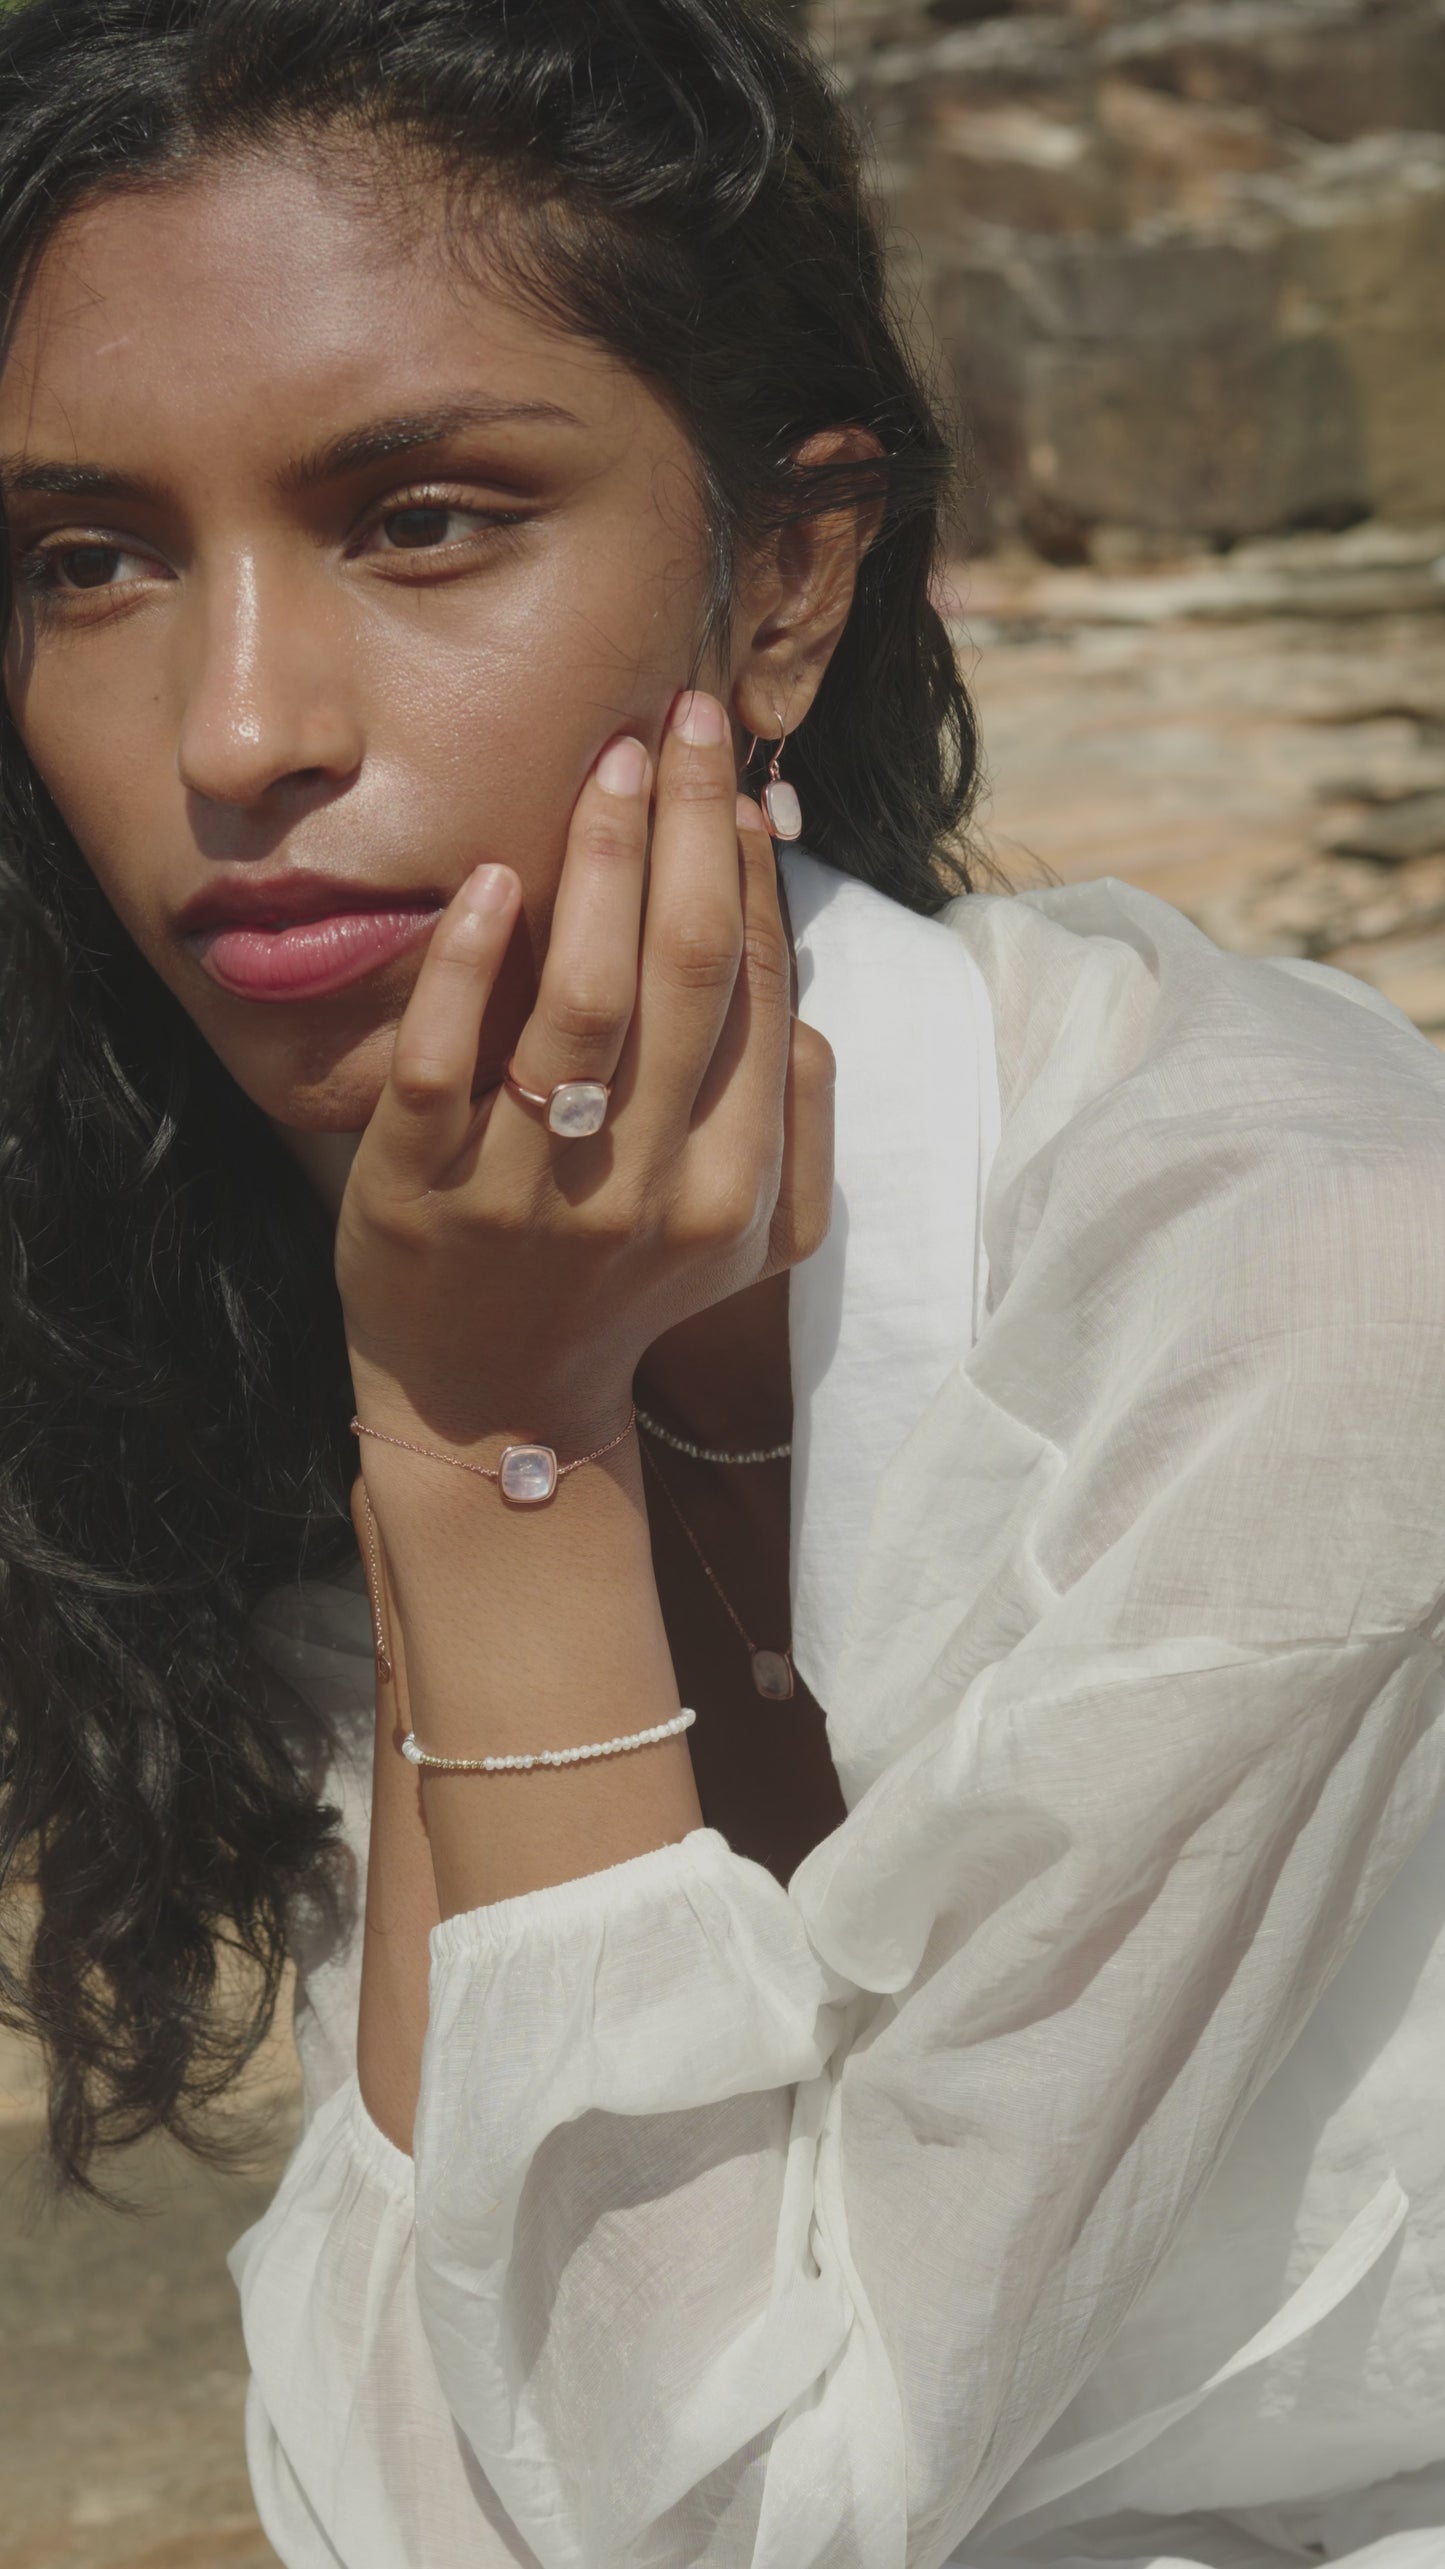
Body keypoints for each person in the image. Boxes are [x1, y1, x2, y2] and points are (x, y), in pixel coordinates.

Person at [1, 0, 1443, 2562]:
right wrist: (462, 1421)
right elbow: (416, 2498)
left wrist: (491, 1464)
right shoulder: (288, 1253)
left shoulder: (1290, 1269)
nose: (232, 732)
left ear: (786, 582)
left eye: (421, 517)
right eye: (88, 558)